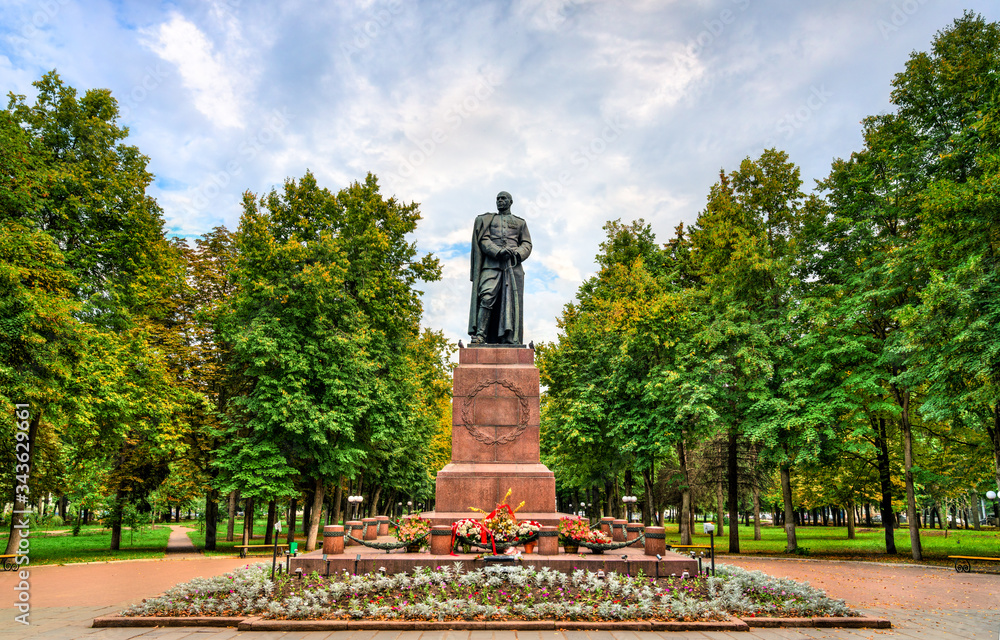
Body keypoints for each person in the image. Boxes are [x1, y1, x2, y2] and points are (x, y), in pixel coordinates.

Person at [468, 191, 531, 344]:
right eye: (498, 199)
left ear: (511, 202)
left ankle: (508, 338)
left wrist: (517, 253)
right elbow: (483, 239)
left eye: (503, 199)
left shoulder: (520, 222)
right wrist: (498, 251)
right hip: (492, 264)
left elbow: (527, 244)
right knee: (486, 295)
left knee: (509, 303)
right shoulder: (488, 220)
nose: (500, 201)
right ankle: (481, 335)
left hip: (512, 267)